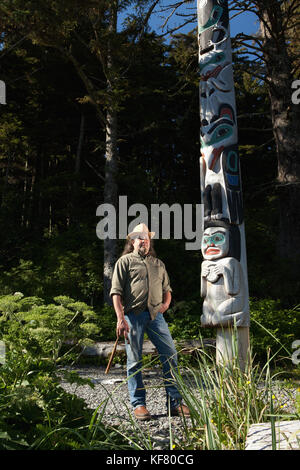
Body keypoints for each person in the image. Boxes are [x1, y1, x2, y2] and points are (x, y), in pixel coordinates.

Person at [110, 223, 190, 421]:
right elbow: (116, 292)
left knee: (170, 354)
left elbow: (167, 290)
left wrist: (165, 306)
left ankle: (175, 402)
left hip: (156, 317)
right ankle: (139, 404)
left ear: (149, 241)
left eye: (146, 237)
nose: (143, 240)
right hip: (132, 316)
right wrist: (120, 318)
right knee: (134, 360)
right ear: (132, 241)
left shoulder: (158, 264)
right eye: (139, 237)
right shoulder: (124, 262)